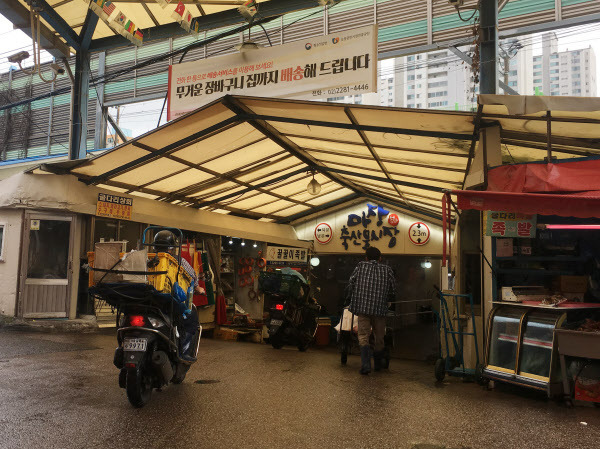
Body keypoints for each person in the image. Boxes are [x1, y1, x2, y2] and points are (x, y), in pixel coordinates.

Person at [153, 230, 203, 361]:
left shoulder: (147, 258)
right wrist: (198, 288)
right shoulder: (178, 261)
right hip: (167, 302)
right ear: (172, 247)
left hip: (144, 299)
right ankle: (183, 352)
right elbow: (192, 277)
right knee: (190, 318)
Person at [348, 246, 396, 375]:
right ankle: (378, 365)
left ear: (366, 258)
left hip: (363, 309)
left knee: (363, 336)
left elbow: (351, 282)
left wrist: (354, 295)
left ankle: (366, 366)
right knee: (379, 337)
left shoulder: (361, 266)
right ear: (380, 258)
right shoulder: (388, 270)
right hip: (380, 310)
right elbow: (393, 289)